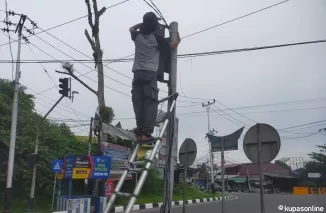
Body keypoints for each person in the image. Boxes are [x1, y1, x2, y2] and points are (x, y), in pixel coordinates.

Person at [129, 12, 181, 143]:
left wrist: (143, 24)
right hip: (150, 73)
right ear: (154, 26)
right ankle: (146, 134)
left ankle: (140, 132)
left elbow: (131, 28)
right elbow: (174, 44)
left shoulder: (137, 36)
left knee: (138, 103)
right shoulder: (157, 39)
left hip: (137, 74)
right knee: (150, 103)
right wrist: (177, 34)